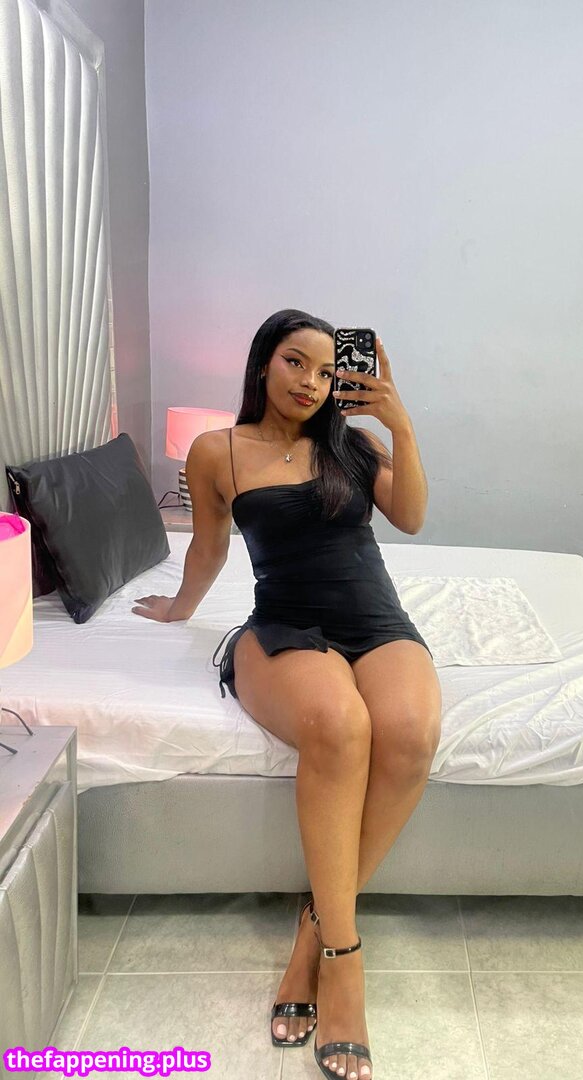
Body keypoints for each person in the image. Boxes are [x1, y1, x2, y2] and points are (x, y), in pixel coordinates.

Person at [132, 309, 442, 1080]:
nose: (312, 381)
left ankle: (311, 933)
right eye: (295, 361)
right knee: (339, 724)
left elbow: (410, 517)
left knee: (410, 731)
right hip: (287, 625)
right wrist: (178, 608)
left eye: (327, 370)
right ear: (263, 363)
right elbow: (208, 547)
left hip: (376, 619)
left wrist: (400, 424)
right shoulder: (217, 450)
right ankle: (344, 960)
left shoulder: (354, 445)